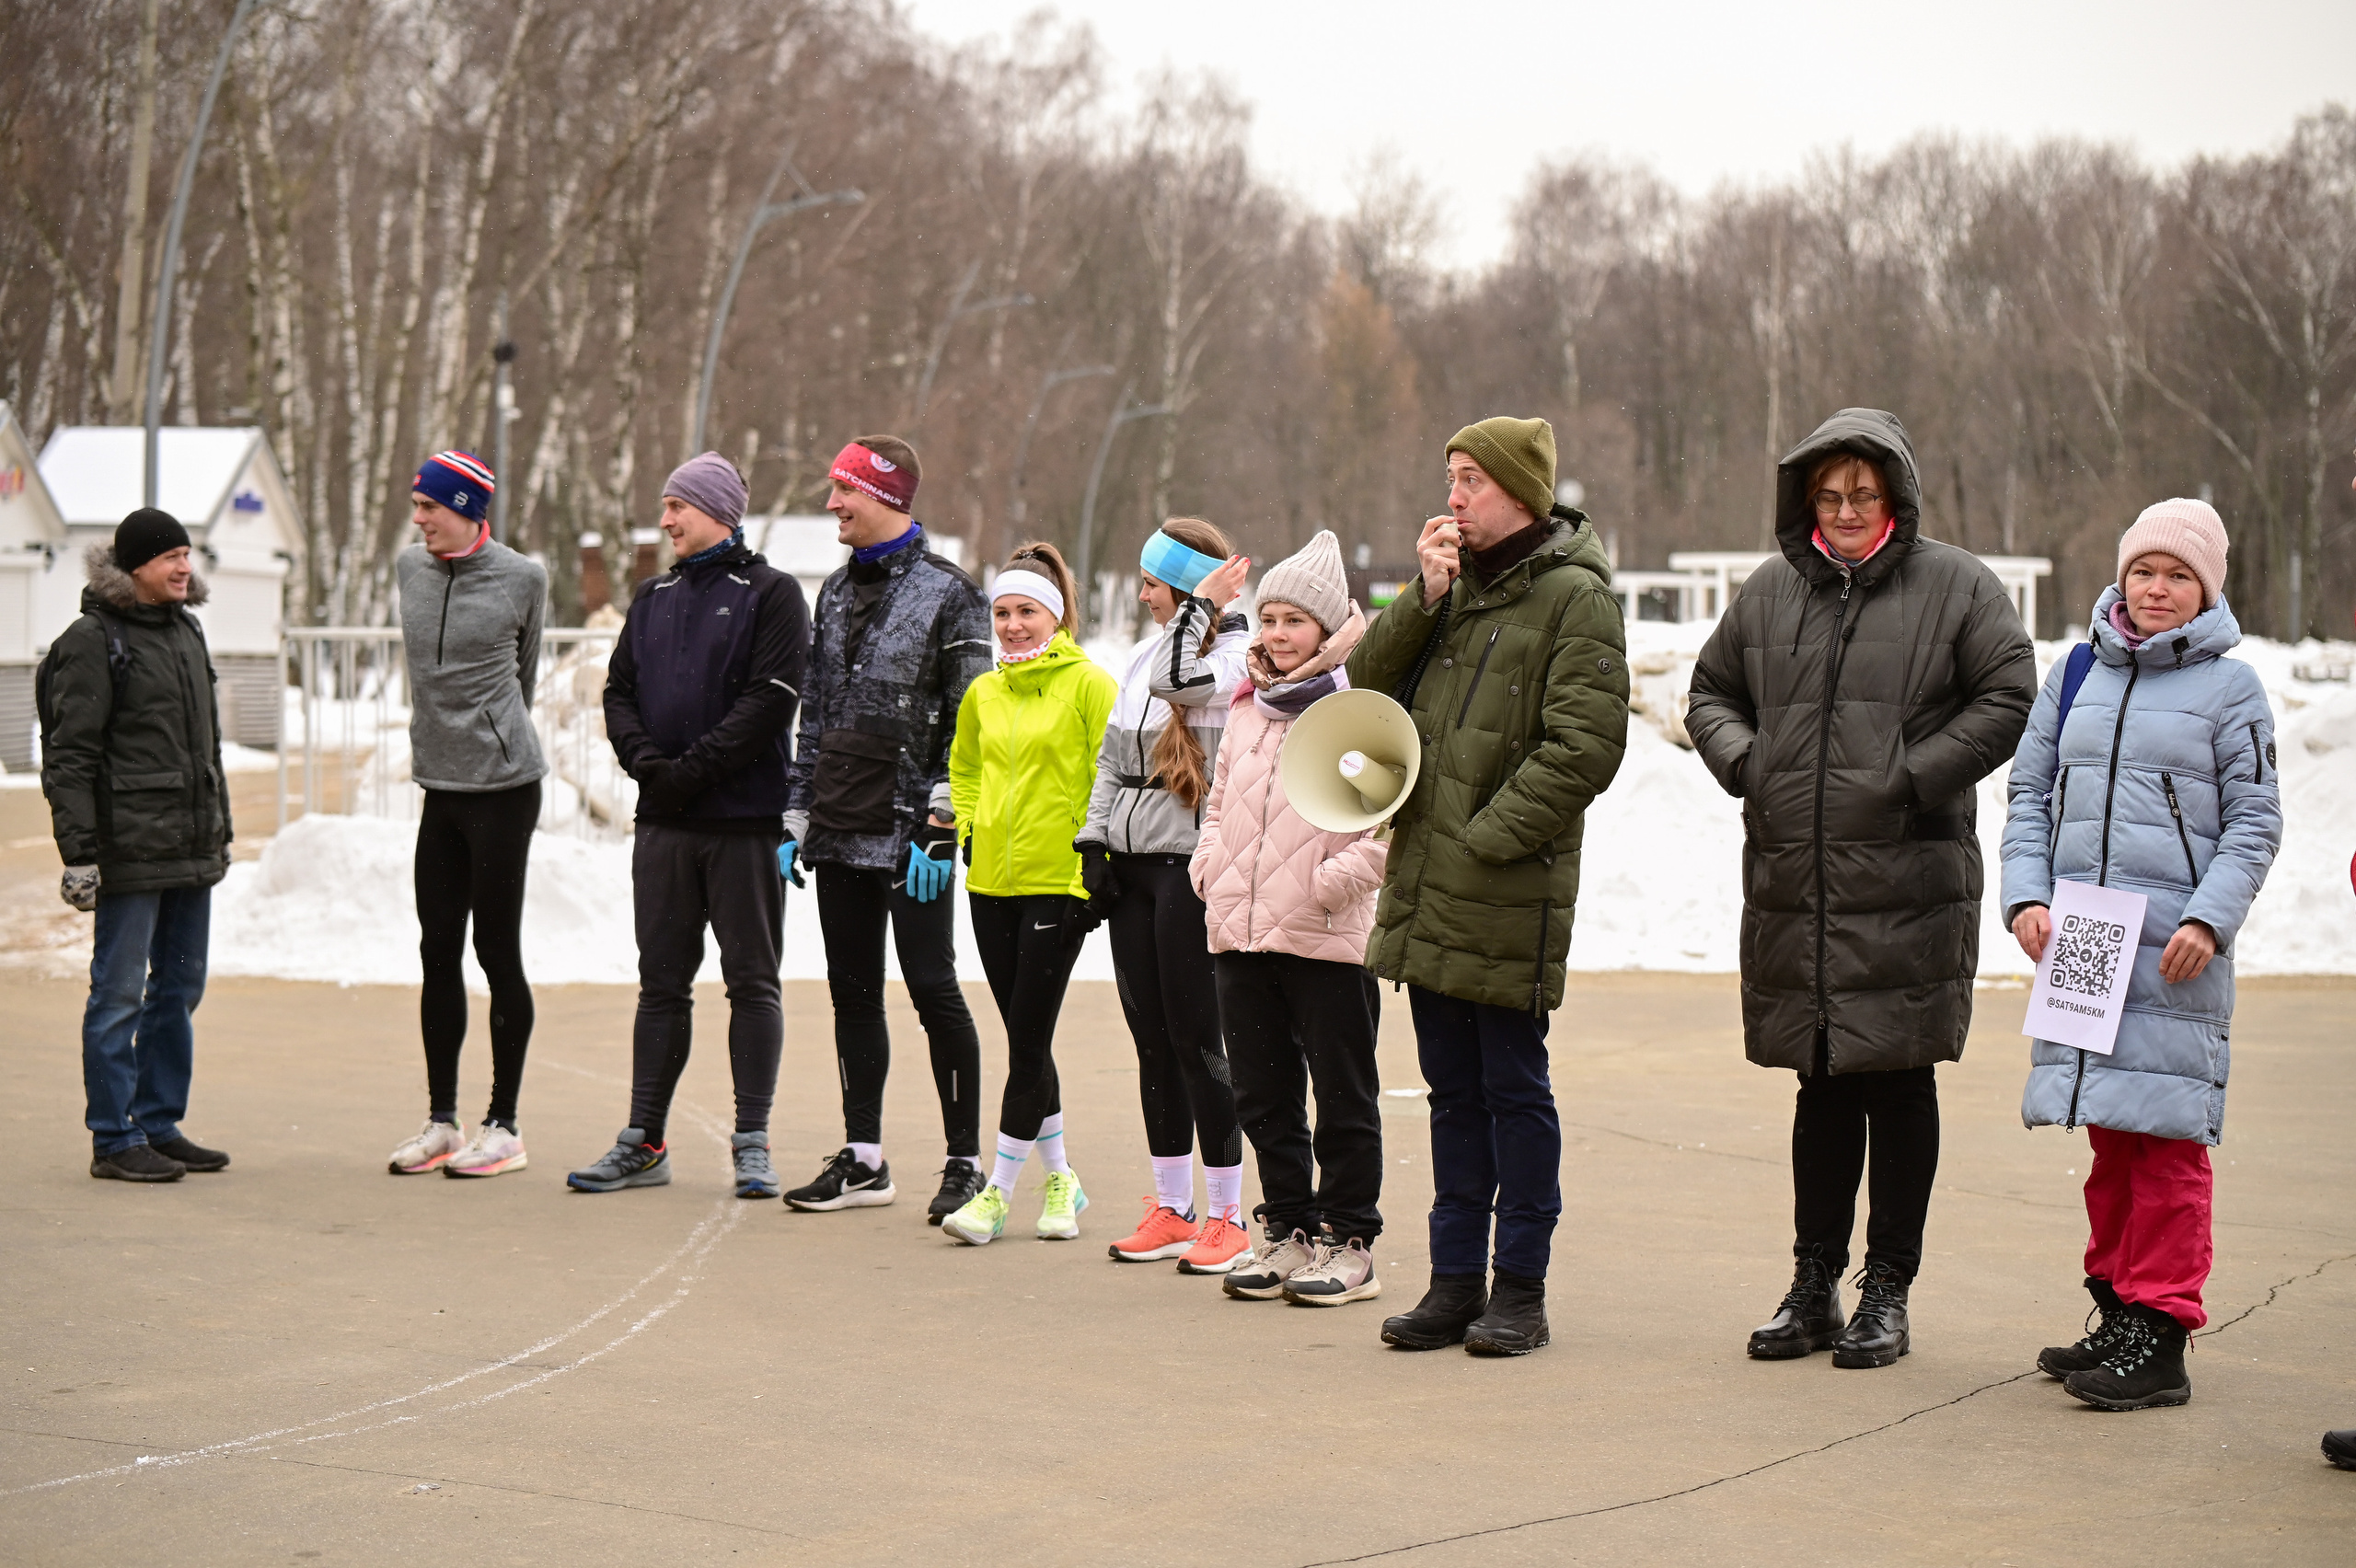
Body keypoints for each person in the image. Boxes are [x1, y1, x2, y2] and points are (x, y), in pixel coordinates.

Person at [1687, 409, 2035, 1370]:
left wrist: (1911, 775)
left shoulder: (1955, 586)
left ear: (1894, 497)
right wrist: (1751, 765)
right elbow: (1709, 692)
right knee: (1821, 1082)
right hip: (1799, 881)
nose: (1842, 512)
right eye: (1827, 496)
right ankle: (1811, 1287)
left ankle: (1886, 1290)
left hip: (1907, 877)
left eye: (1861, 495)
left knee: (1898, 1079)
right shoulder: (1769, 594)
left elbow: (2007, 692)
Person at [1345, 417, 1631, 1356]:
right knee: (1449, 1094)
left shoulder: (1574, 598)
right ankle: (1453, 1282)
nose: (1453, 496)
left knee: (1513, 1090)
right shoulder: (1452, 589)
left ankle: (1521, 1291)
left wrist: (1482, 838)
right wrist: (1421, 598)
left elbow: (1584, 746)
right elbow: (1366, 685)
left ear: (1520, 492)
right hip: (1432, 881)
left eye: (1469, 479)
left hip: (1505, 886)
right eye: (1450, 477)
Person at [2002, 499, 2280, 1412]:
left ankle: (2160, 1332)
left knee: (2165, 1143)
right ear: (2121, 577)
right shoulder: (2075, 673)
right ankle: (2117, 1309)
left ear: (2206, 590)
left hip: (2172, 949)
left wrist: (2208, 919)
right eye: (2144, 571)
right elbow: (2030, 795)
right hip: (2083, 936)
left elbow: (2253, 823)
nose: (2156, 589)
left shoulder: (2230, 689)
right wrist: (2027, 896)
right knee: (2109, 1134)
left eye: (2178, 575)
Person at [567, 454, 810, 1197]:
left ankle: (752, 1141)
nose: (666, 519)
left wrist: (691, 769)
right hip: (665, 824)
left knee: (752, 984)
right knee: (661, 985)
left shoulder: (772, 594)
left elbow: (770, 699)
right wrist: (648, 764)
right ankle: (644, 1140)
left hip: (743, 824)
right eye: (665, 505)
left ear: (719, 512)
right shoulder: (653, 595)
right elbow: (619, 693)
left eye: (679, 506)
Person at [780, 435, 994, 1223]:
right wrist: (795, 808)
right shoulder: (832, 592)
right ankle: (864, 1158)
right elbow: (817, 711)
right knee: (852, 993)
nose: (833, 504)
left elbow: (970, 724)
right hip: (839, 823)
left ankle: (965, 1162)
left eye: (846, 492)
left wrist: (944, 822)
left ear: (888, 499)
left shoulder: (953, 594)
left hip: (911, 832)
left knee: (935, 989)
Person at [1193, 529, 1390, 1306]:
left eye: (1293, 622)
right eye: (1267, 618)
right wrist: (1208, 866)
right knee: (1262, 1093)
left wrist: (1334, 881)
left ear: (1327, 627)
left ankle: (1350, 1240)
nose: (1275, 636)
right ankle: (1288, 1229)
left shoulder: (1355, 708)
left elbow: (1390, 822)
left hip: (1325, 934)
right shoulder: (1244, 706)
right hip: (1240, 930)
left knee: (1342, 1094)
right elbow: (1217, 804)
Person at [1078, 518, 1255, 1274]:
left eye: (1153, 583)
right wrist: (1094, 842)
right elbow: (1112, 765)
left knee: (1198, 1040)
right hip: (1133, 866)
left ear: (1186, 590)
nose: (1143, 594)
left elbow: (1178, 685)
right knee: (1150, 1037)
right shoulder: (1145, 653)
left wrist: (1200, 610)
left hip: (1192, 867)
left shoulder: (1235, 656)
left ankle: (1227, 1214)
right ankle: (1172, 1206)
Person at [40, 508, 233, 1182]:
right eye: (168, 557)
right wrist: (80, 853)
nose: (184, 567)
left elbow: (205, 750)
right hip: (128, 850)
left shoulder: (187, 632)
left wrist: (219, 832)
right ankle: (113, 1138)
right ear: (133, 568)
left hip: (187, 848)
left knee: (179, 986)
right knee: (119, 995)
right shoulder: (93, 640)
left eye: (187, 554)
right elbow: (70, 756)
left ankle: (157, 1121)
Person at [937, 542, 1116, 1246]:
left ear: (1057, 615)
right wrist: (972, 829)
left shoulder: (1089, 685)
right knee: (1026, 1039)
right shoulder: (984, 692)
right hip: (990, 884)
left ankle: (997, 1194)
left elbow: (1112, 776)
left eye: (1027, 612)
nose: (1012, 625)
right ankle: (1063, 1179)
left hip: (1056, 884)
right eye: (1003, 612)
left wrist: (1086, 871)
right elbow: (964, 768)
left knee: (1027, 1039)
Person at [387, 451, 547, 1179]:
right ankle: (442, 1121)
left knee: (496, 951)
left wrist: (491, 733)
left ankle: (504, 1125)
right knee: (435, 949)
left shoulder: (523, 577)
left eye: (429, 506)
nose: (418, 518)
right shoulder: (409, 572)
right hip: (440, 786)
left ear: (467, 509)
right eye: (417, 505)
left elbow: (525, 674)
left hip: (504, 788)